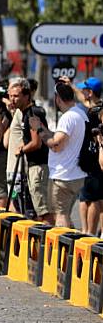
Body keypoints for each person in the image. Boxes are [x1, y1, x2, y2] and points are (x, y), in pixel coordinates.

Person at [31, 83, 87, 228]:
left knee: (59, 214)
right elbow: (62, 138)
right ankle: (71, 245)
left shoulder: (67, 117)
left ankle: (64, 249)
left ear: (58, 98)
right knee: (65, 214)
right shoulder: (80, 113)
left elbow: (56, 145)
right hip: (76, 173)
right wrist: (44, 128)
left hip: (63, 175)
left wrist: (38, 131)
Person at [7, 78, 52, 223]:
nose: (12, 99)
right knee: (38, 209)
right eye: (11, 96)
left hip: (38, 166)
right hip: (33, 165)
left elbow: (36, 143)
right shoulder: (25, 113)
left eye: (16, 96)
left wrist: (22, 149)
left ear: (26, 96)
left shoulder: (31, 114)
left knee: (43, 210)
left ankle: (49, 241)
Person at [75, 77, 103, 235]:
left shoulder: (95, 112)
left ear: (90, 92)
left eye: (84, 90)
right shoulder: (95, 108)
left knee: (90, 198)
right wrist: (72, 87)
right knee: (94, 197)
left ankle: (89, 232)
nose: (82, 92)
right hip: (92, 160)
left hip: (93, 161)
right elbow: (81, 97)